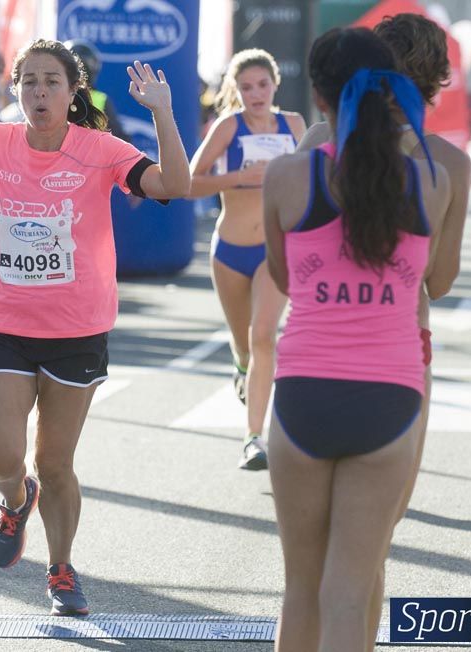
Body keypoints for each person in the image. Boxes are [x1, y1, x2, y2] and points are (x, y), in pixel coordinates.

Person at [0, 35, 189, 615]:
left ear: (74, 92)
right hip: (5, 322)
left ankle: (61, 569)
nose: (40, 92)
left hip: (77, 328)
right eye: (29, 82)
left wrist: (164, 114)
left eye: (52, 82)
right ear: (16, 91)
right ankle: (15, 499)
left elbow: (174, 186)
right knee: (0, 459)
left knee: (55, 461)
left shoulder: (101, 149)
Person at [263, 27, 455, 652]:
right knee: (349, 594)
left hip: (303, 394)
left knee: (301, 591)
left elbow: (287, 280)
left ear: (319, 99)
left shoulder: (289, 176)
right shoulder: (432, 178)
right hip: (390, 394)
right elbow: (433, 279)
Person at [187, 49, 305, 470]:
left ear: (275, 85)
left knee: (263, 338)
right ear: (235, 91)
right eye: (246, 87)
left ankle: (254, 438)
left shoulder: (294, 126)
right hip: (231, 252)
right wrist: (239, 178)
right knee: (243, 344)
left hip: (275, 250)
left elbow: (309, 183)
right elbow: (188, 183)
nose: (256, 93)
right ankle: (241, 367)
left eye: (263, 85)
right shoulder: (227, 127)